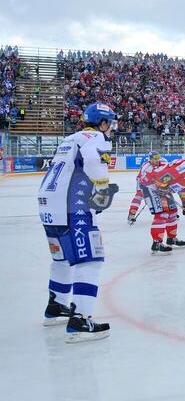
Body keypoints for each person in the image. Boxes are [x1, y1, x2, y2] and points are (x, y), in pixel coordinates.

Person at [38, 102, 119, 342]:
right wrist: (102, 188)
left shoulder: (71, 138)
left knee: (61, 260)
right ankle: (81, 319)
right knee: (91, 261)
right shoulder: (96, 137)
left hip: (48, 206)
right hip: (73, 208)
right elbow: (94, 161)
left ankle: (56, 307)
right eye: (110, 123)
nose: (111, 128)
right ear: (102, 123)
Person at [143, 149, 185, 254]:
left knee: (172, 212)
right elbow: (161, 177)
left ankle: (171, 239)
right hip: (152, 187)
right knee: (163, 213)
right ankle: (156, 243)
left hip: (164, 190)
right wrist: (161, 187)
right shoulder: (184, 167)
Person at [127, 151, 165, 224]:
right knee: (139, 195)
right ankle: (131, 214)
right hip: (142, 181)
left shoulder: (164, 162)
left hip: (157, 180)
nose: (157, 160)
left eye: (158, 158)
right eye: (155, 158)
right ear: (150, 159)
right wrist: (148, 194)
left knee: (164, 195)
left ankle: (169, 212)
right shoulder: (146, 167)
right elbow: (145, 181)